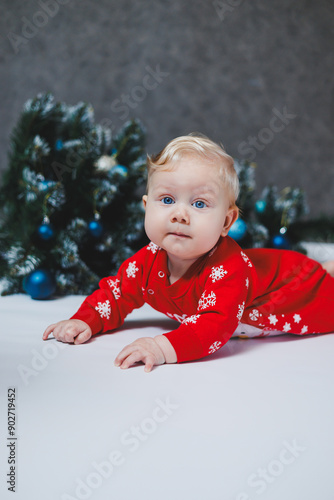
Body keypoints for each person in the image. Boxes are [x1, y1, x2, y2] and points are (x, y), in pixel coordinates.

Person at [43, 134, 334, 372]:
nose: (180, 214)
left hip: (291, 287)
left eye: (199, 204)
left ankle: (326, 270)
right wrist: (85, 319)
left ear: (226, 222)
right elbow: (117, 293)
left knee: (325, 289)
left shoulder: (227, 267)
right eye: (167, 199)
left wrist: (161, 347)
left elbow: (214, 325)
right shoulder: (149, 259)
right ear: (147, 206)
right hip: (269, 271)